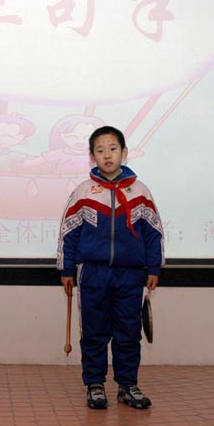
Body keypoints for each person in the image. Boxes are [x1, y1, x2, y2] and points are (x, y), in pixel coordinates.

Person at [57, 125, 163, 410]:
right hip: (93, 273)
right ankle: (95, 384)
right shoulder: (83, 192)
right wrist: (66, 270)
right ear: (92, 156)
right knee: (94, 331)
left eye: (113, 149)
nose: (107, 155)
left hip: (131, 274)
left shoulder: (140, 191)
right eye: (100, 150)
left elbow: (154, 233)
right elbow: (68, 233)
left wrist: (154, 267)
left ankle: (128, 385)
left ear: (124, 153)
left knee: (128, 331)